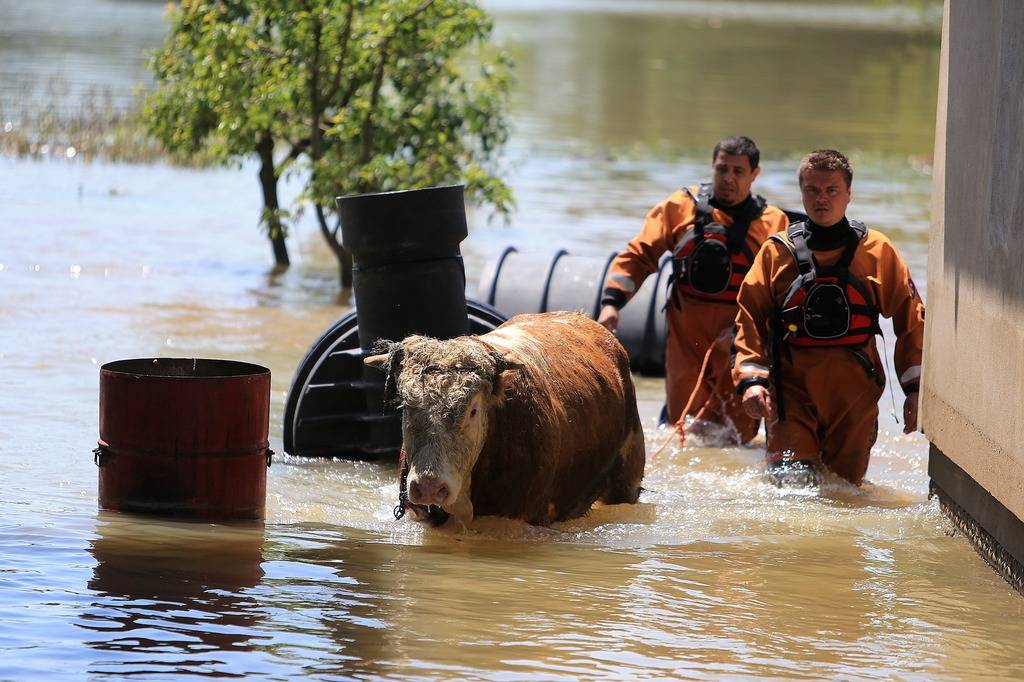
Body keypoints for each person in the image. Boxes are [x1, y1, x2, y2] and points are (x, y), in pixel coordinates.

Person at [733, 149, 924, 486]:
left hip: (854, 398)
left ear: (848, 195)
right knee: (792, 492)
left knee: (844, 494)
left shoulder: (878, 251)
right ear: (802, 192)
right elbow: (749, 317)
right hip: (792, 394)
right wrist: (751, 381)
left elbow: (911, 321)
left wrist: (915, 389)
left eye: (831, 190)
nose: (821, 198)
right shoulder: (777, 251)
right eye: (812, 190)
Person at [598, 135, 789, 443]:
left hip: (739, 339)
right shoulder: (679, 207)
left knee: (736, 435)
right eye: (721, 169)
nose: (728, 178)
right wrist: (611, 305)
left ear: (755, 174)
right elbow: (638, 256)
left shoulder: (771, 222)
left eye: (738, 171)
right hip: (687, 335)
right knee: (682, 429)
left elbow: (780, 291)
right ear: (712, 167)